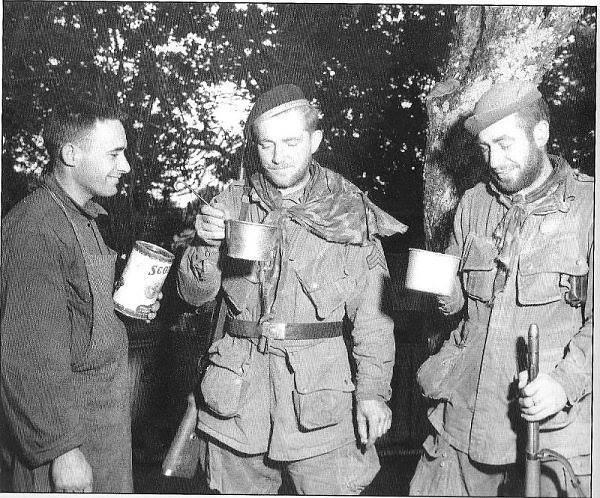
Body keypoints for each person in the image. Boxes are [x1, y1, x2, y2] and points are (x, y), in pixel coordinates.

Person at [177, 83, 407, 494]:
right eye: (266, 144)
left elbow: (373, 320)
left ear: (316, 139)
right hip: (235, 403)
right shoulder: (229, 205)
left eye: (291, 142)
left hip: (320, 409)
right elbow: (194, 297)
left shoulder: (350, 214)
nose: (278, 156)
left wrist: (372, 393)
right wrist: (204, 246)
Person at [410, 81, 592, 496]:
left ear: (541, 133)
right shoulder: (474, 204)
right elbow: (456, 308)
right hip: (466, 414)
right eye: (486, 148)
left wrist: (564, 382)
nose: (494, 160)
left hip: (551, 425)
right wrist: (443, 290)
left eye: (506, 144)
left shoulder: (588, 208)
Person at [0, 102, 160, 492]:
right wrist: (62, 451)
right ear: (71, 155)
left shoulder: (81, 217)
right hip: (65, 438)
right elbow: (29, 354)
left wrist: (124, 307)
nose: (125, 166)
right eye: (113, 154)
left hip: (102, 425)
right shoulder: (36, 229)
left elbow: (78, 317)